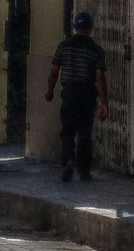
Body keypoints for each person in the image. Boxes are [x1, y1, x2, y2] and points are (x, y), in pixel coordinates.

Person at [45, 11, 109, 183]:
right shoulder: (96, 50)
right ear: (90, 28)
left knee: (67, 131)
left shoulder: (63, 46)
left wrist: (50, 92)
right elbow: (100, 77)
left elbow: (54, 72)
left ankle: (68, 161)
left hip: (70, 93)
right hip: (87, 94)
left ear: (74, 27)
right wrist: (104, 103)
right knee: (85, 133)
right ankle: (84, 170)